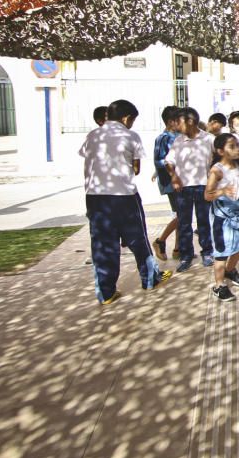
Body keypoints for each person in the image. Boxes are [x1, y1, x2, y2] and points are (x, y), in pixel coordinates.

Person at [79, 99, 172, 304]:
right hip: (124, 196)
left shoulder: (93, 135)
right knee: (137, 238)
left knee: (103, 244)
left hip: (95, 198)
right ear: (126, 118)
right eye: (132, 120)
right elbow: (136, 169)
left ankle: (106, 292)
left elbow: (88, 159)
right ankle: (150, 278)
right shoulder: (130, 136)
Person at [165, 107, 215, 272]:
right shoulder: (178, 141)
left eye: (179, 122)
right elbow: (169, 162)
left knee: (203, 222)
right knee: (184, 223)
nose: (176, 126)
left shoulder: (209, 139)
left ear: (190, 121)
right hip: (183, 189)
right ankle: (186, 255)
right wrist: (174, 177)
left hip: (203, 186)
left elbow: (219, 158)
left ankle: (207, 252)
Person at [205, 133, 239, 301]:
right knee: (222, 252)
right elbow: (207, 195)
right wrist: (222, 191)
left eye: (237, 145)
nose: (237, 149)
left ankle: (230, 271)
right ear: (220, 151)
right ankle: (219, 286)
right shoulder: (217, 170)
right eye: (232, 146)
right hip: (222, 218)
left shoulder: (237, 166)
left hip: (237, 214)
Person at [151, 105, 181, 261]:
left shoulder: (178, 135)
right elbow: (160, 161)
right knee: (181, 215)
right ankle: (160, 241)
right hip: (171, 182)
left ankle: (178, 248)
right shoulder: (164, 138)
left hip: (181, 180)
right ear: (170, 122)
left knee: (182, 214)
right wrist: (173, 169)